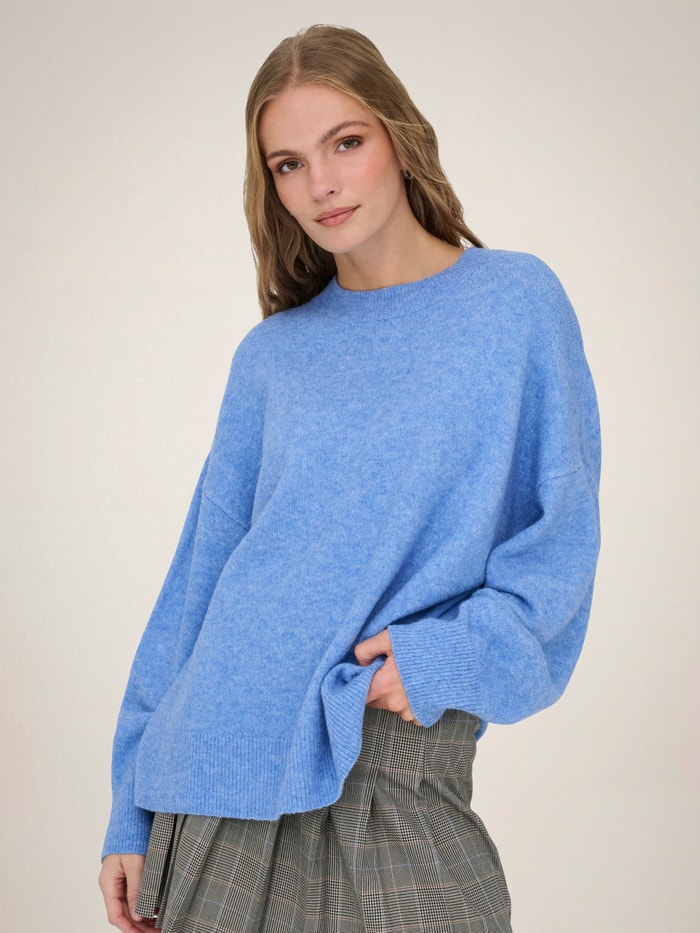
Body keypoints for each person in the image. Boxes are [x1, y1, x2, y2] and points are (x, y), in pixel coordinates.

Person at [99, 24, 601, 933]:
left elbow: (556, 545)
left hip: (389, 773)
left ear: (399, 137)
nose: (321, 184)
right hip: (214, 781)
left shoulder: (515, 304)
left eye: (346, 142)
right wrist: (128, 812)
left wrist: (444, 658)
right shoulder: (272, 357)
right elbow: (196, 588)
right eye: (288, 164)